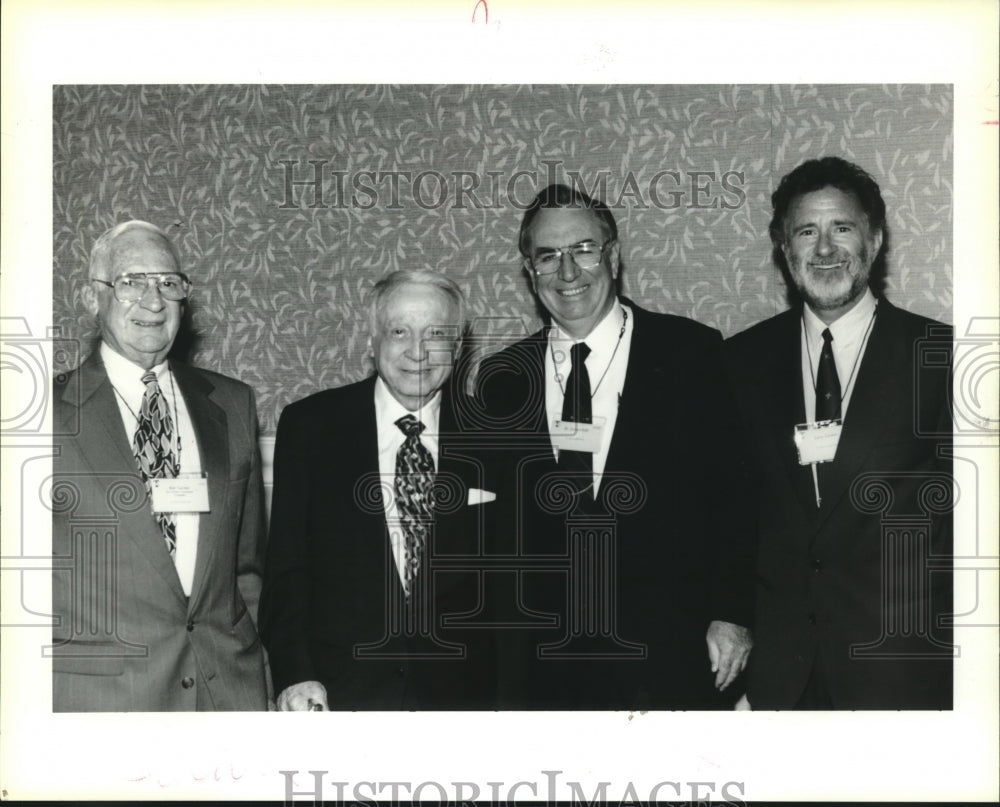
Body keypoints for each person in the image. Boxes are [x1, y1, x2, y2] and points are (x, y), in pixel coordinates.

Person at [474, 184, 756, 709]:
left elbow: (737, 498)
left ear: (615, 255)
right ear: (529, 271)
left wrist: (733, 614)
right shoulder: (501, 380)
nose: (568, 272)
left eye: (583, 249)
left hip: (673, 653)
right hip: (547, 667)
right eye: (548, 256)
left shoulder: (691, 354)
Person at [726, 156, 953, 709]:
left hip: (902, 675)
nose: (824, 249)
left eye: (842, 228)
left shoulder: (941, 358)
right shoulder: (740, 363)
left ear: (874, 241)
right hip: (782, 678)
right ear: (785, 250)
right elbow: (729, 513)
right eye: (806, 231)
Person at [51, 220, 269, 711]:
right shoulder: (39, 411)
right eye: (131, 282)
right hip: (101, 703)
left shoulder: (232, 404)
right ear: (93, 297)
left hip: (225, 699)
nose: (153, 301)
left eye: (169, 283)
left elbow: (246, 570)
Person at [261, 270, 497, 710]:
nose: (417, 351)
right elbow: (287, 573)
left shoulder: (496, 437)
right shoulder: (312, 427)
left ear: (459, 345)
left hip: (464, 708)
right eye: (399, 331)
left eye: (436, 334)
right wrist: (295, 675)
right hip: (339, 699)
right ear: (373, 341)